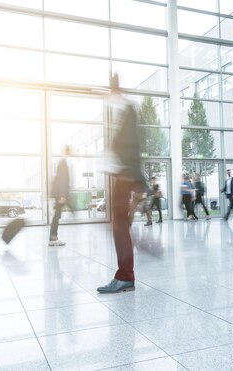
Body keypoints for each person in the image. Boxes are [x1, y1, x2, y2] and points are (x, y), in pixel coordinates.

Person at [97, 74, 144, 294]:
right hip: (123, 174)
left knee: (120, 227)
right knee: (119, 226)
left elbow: (132, 146)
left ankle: (125, 276)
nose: (108, 96)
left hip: (125, 175)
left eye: (110, 91)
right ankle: (125, 275)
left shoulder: (127, 109)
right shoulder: (123, 110)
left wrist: (134, 179)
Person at [49, 146, 72, 246]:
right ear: (67, 151)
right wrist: (62, 195)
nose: (72, 152)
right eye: (70, 150)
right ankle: (53, 238)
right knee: (57, 216)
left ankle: (53, 238)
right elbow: (62, 180)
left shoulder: (62, 161)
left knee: (57, 215)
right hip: (60, 194)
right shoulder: (63, 162)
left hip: (59, 193)